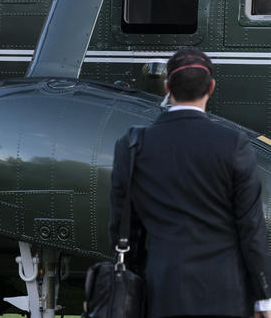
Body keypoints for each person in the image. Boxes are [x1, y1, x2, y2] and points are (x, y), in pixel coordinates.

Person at [110, 47, 271, 318]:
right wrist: (263, 296)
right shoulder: (233, 144)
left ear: (166, 87)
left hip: (162, 290)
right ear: (211, 87)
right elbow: (251, 227)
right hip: (227, 293)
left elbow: (122, 227)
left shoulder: (133, 145)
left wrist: (135, 275)